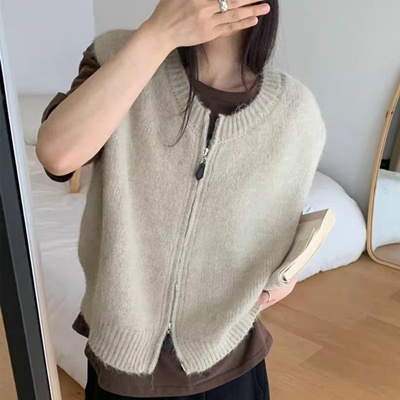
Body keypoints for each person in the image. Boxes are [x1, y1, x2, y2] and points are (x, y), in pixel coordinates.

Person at [36, 0, 325, 399]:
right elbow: (58, 155)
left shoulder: (295, 110)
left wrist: (284, 274)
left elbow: (281, 218)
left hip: (229, 361)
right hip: (120, 363)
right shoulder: (116, 55)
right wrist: (158, 35)